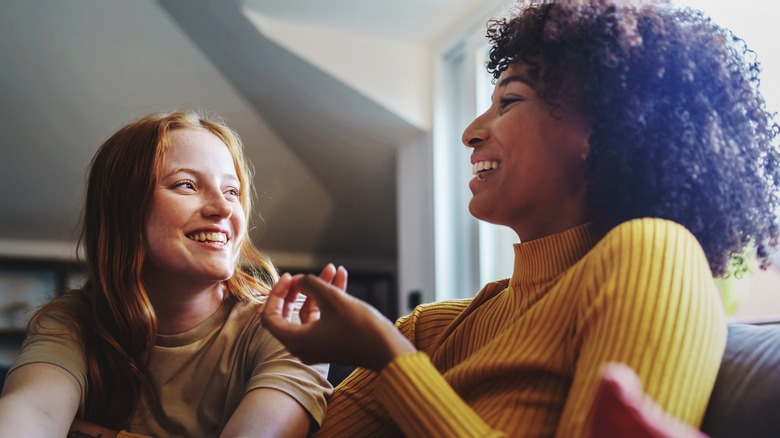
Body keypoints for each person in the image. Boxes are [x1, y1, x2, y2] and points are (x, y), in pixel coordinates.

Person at [263, 1, 780, 437]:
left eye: (509, 100)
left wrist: (388, 358)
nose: (470, 131)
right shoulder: (432, 329)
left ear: (605, 132)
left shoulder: (655, 256)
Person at [0, 111, 335, 437]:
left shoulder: (289, 325)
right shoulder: (72, 323)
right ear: (124, 210)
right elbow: (33, 412)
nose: (223, 208)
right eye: (186, 185)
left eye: (232, 191)